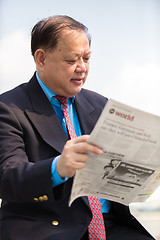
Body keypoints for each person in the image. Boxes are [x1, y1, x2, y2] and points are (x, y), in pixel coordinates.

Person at [0, 15, 155, 240]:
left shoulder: (101, 104)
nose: (82, 68)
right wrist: (58, 167)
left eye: (87, 58)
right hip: (46, 227)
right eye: (72, 60)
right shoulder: (8, 108)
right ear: (41, 59)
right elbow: (7, 178)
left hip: (110, 226)